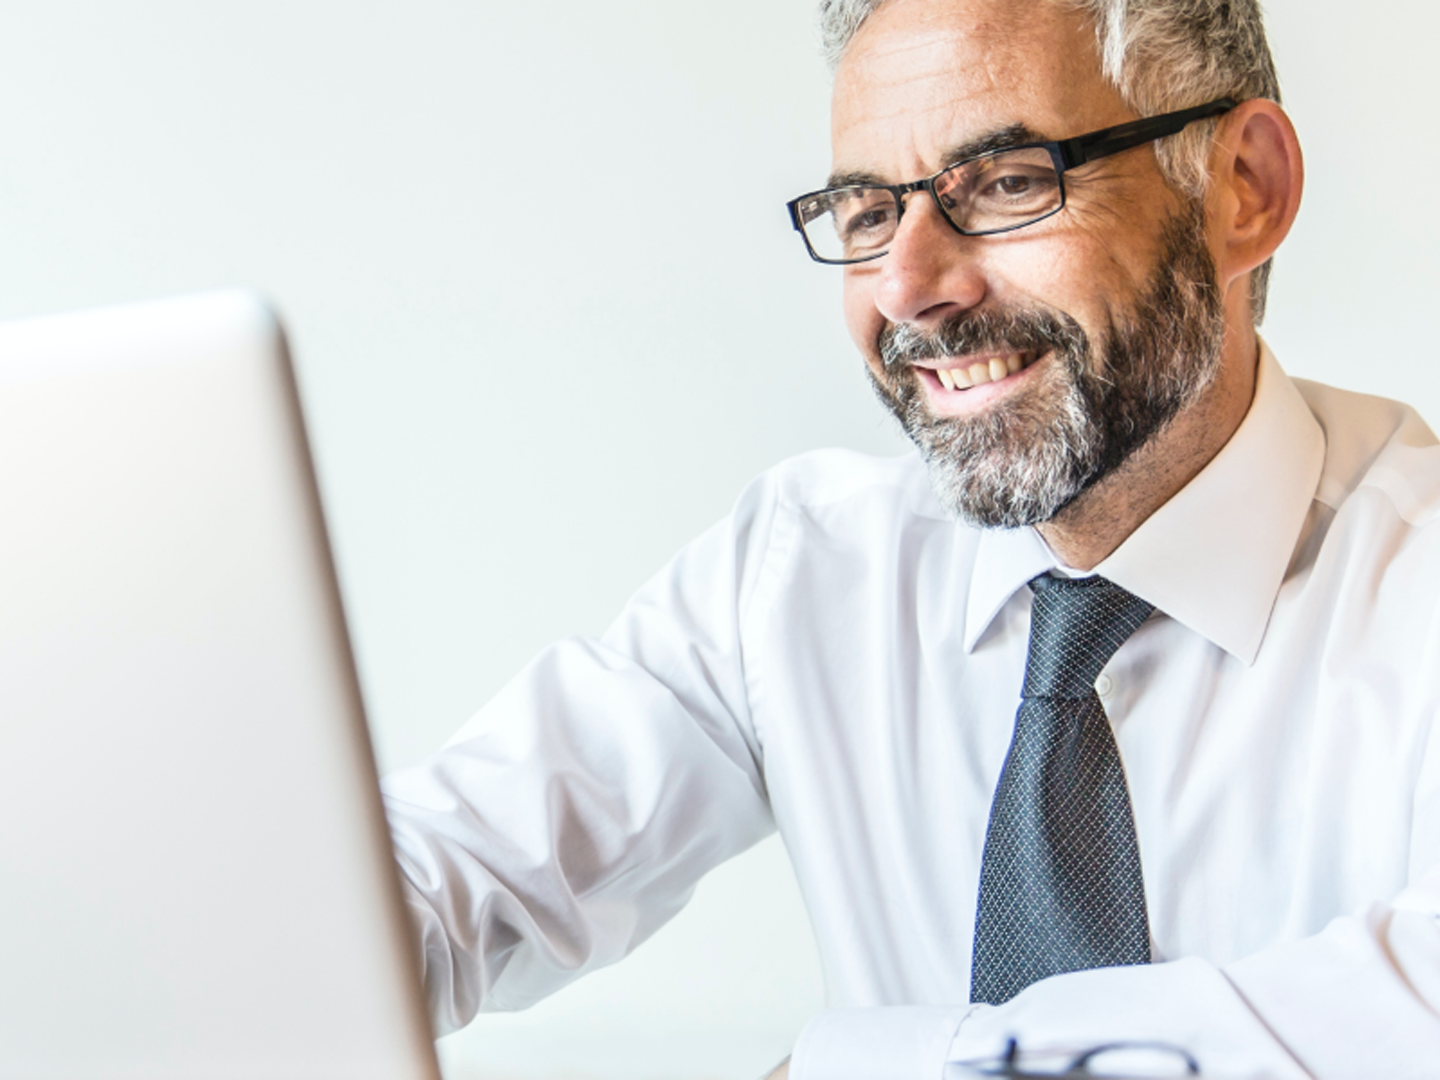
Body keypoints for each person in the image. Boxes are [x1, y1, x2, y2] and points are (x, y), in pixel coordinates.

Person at [381, 0, 1440, 1076]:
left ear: (1243, 190)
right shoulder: (803, 571)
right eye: (866, 212)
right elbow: (435, 878)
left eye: (1010, 182)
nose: (908, 288)